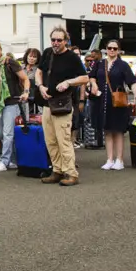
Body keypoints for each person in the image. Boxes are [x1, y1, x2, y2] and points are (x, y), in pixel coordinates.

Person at [34, 27, 88, 186]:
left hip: (63, 104)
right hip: (47, 103)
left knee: (63, 139)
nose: (56, 43)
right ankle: (57, 170)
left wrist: (68, 82)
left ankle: (71, 172)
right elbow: (39, 72)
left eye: (59, 40)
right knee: (50, 140)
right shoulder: (47, 53)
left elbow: (85, 78)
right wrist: (40, 86)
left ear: (65, 41)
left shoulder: (72, 57)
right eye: (53, 40)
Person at [86, 40, 136, 170]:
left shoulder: (123, 65)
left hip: (117, 102)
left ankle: (119, 159)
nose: (112, 50)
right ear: (106, 49)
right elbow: (92, 76)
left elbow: (132, 81)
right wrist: (93, 85)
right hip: (102, 100)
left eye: (115, 49)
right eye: (109, 48)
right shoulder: (99, 63)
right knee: (107, 130)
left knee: (118, 130)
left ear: (119, 51)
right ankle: (109, 159)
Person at [0, 40, 29, 173]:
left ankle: (3, 161)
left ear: (0, 49)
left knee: (8, 133)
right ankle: (12, 160)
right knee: (2, 134)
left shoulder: (9, 62)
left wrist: (26, 92)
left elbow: (25, 78)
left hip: (11, 101)